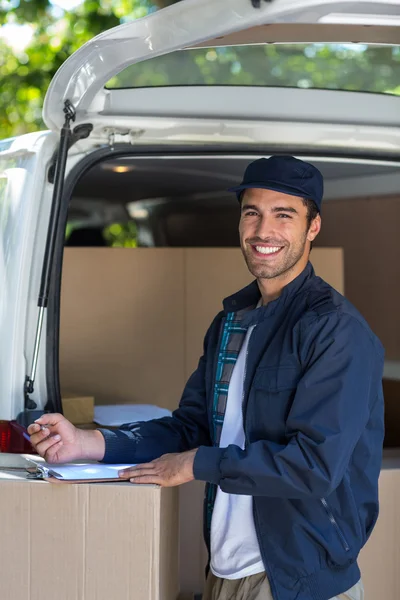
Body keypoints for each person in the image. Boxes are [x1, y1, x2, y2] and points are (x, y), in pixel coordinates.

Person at [29, 156, 384, 600]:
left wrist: (197, 464)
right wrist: (88, 444)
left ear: (313, 227)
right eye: (251, 212)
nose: (263, 231)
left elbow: (314, 466)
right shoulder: (231, 323)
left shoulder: (336, 331)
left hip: (299, 580)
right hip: (224, 571)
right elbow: (191, 428)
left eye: (284, 215)